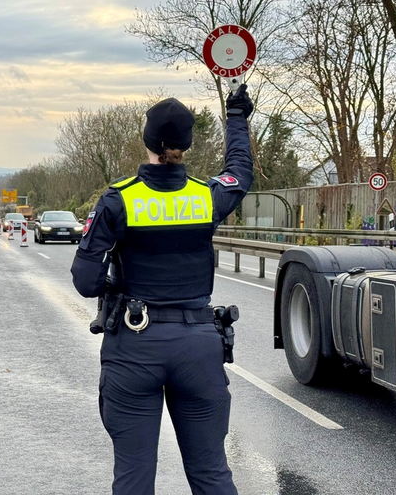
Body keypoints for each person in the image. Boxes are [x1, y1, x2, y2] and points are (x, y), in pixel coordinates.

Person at [70, 86, 254, 495]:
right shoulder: (207, 196)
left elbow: (84, 281)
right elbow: (239, 170)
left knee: (133, 478)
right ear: (186, 145)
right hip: (198, 348)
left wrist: (115, 288)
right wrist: (237, 117)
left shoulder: (118, 200)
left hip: (135, 347)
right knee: (211, 473)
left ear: (148, 141)